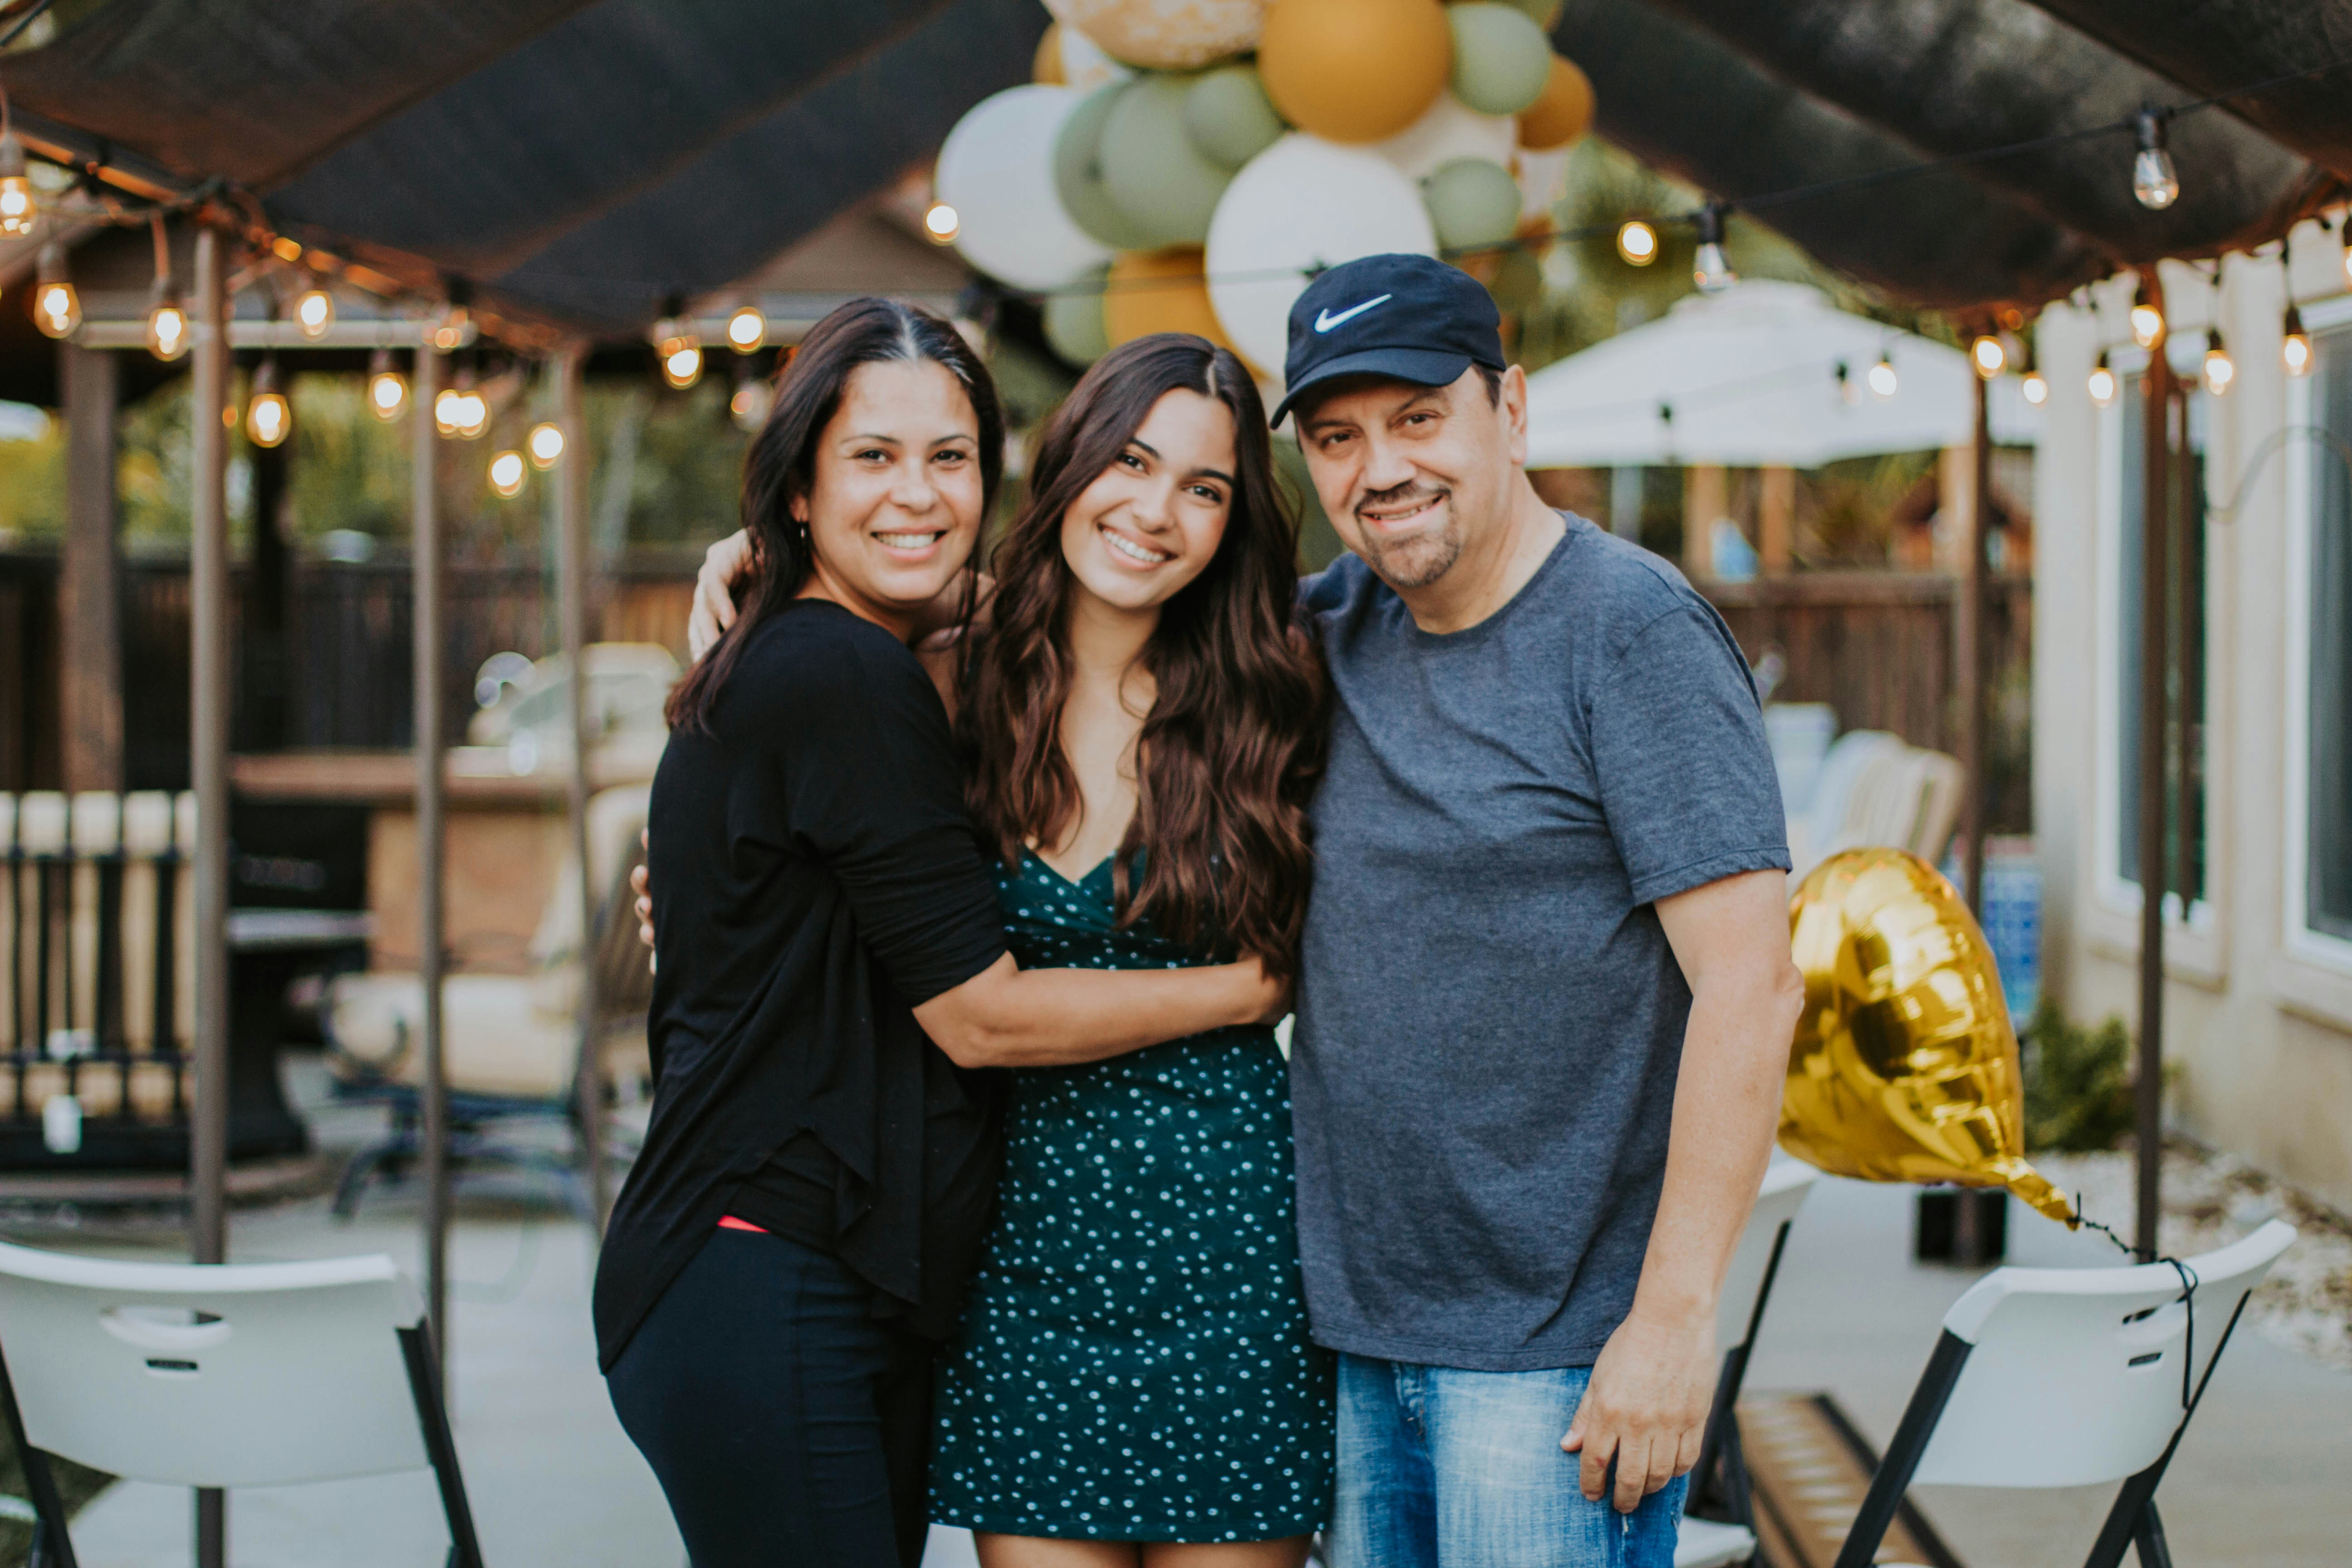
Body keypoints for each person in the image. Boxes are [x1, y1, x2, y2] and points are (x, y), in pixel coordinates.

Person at [683, 256, 1802, 1568]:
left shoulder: (1619, 631)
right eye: (1338, 437)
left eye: (1419, 419)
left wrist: (1675, 1318)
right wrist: (781, 559)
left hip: (1535, 1340)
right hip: (1332, 1320)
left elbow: (1752, 984)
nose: (1382, 469)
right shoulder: (1324, 634)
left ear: (1511, 410)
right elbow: (1093, 596)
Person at [597, 299, 1288, 1568]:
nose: (918, 493)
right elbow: (980, 1015)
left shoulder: (886, 657)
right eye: (873, 456)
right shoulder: (855, 673)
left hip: (886, 1268)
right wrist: (1249, 990)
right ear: (798, 485)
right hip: (768, 1255)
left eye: (950, 458)